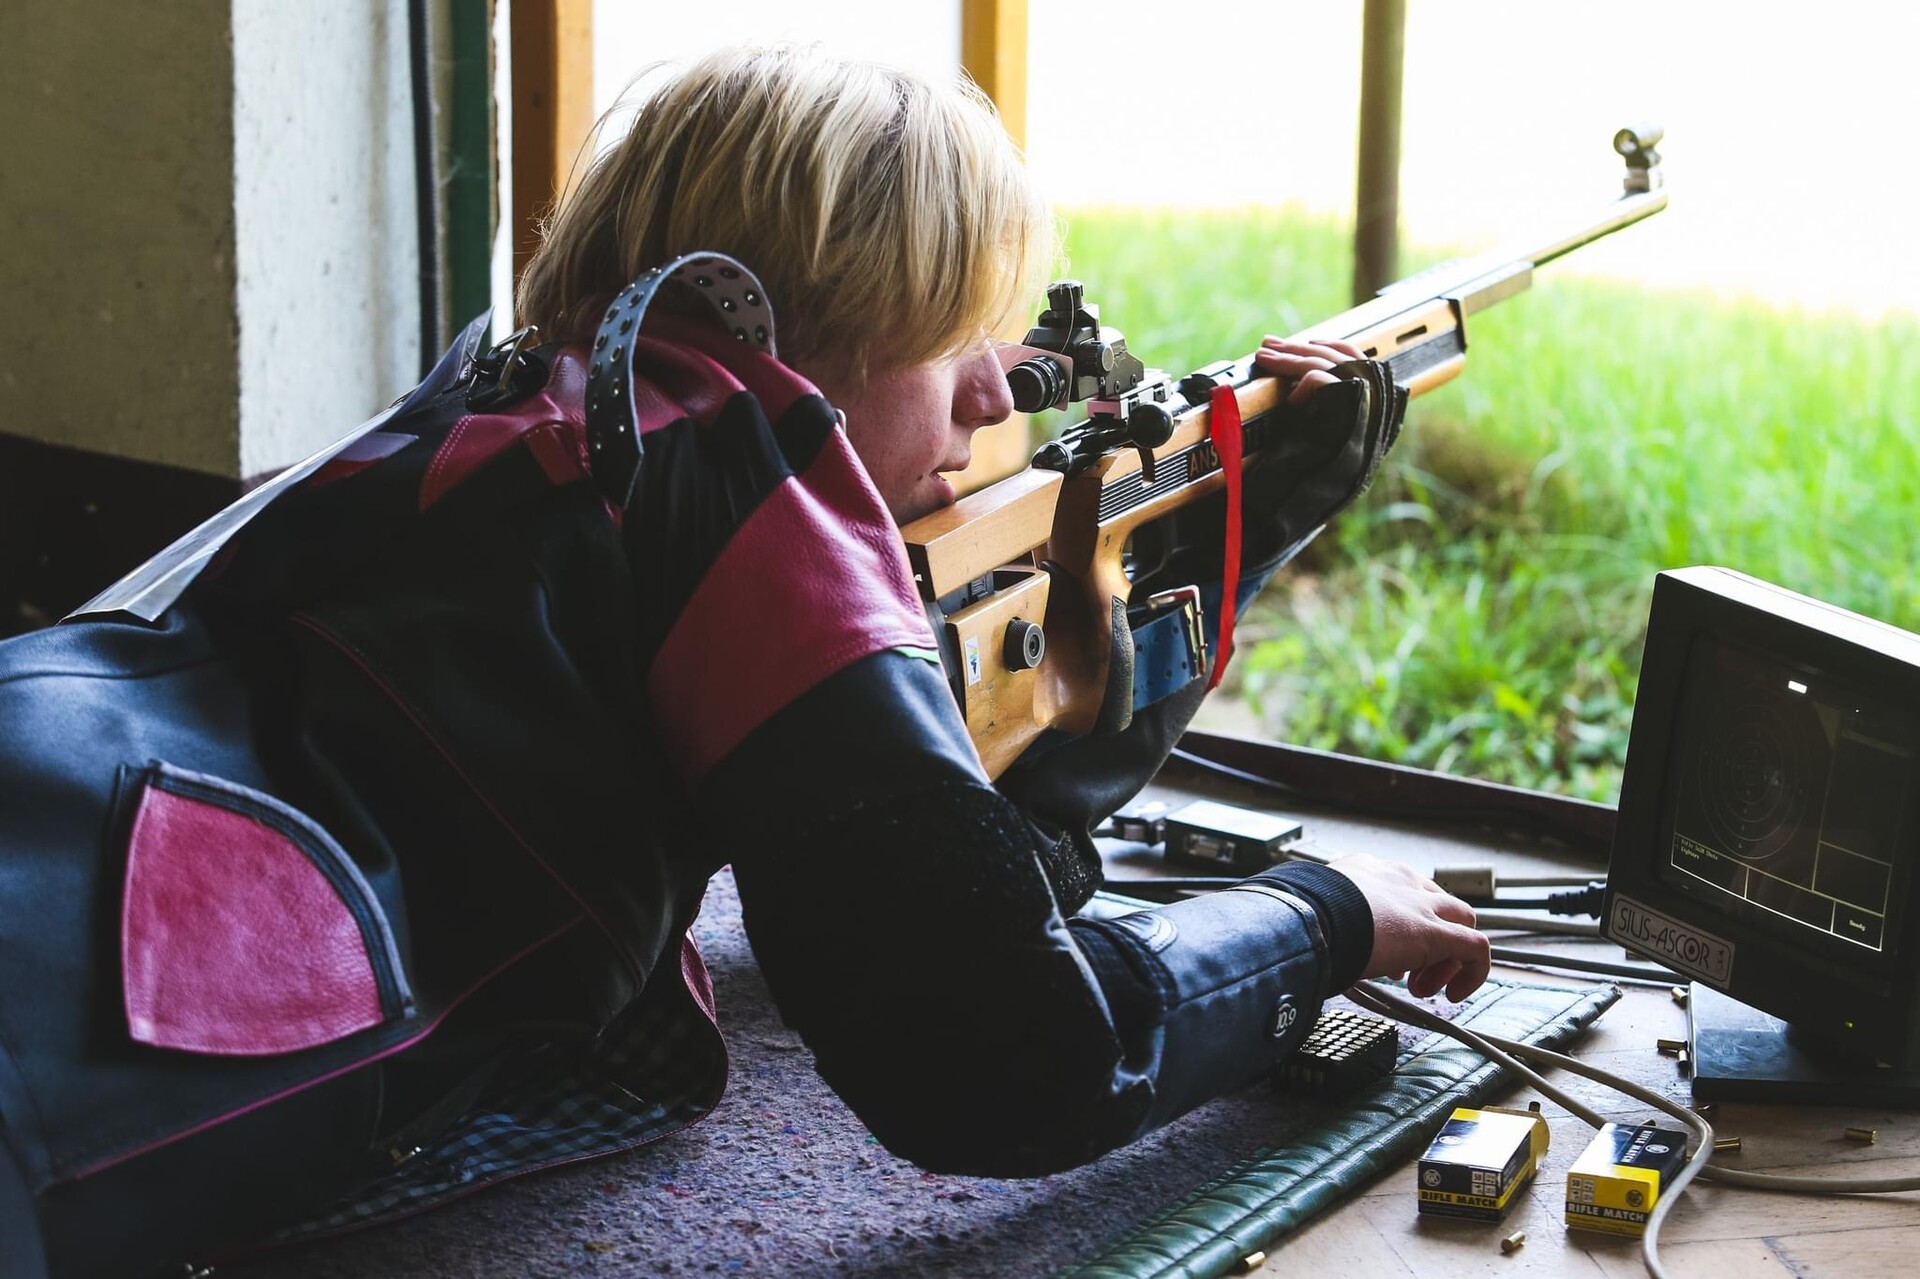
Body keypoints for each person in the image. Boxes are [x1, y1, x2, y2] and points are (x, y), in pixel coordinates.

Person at [0, 43, 1486, 1279]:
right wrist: (1327, 916)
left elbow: (953, 859)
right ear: (811, 334)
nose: (997, 392)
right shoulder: (728, 463)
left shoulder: (514, 418)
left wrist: (1215, 545)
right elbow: (1004, 1053)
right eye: (956, 331)